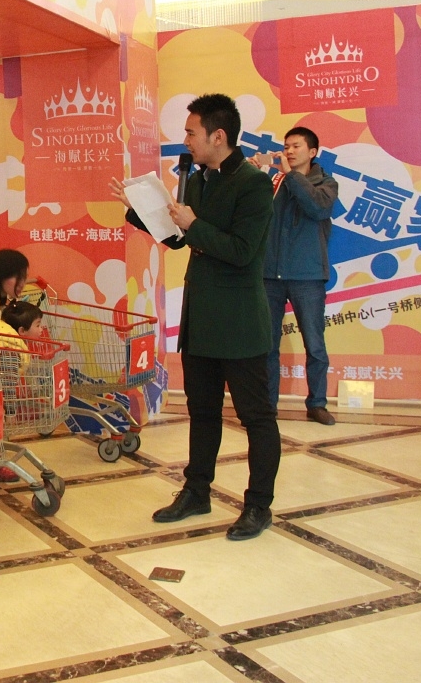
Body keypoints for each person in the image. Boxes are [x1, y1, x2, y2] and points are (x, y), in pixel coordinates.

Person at [111, 92, 278, 541]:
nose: (185, 141)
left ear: (217, 136)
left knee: (256, 417)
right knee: (202, 412)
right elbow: (180, 239)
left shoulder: (253, 184)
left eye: (191, 132)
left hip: (240, 322)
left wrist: (193, 224)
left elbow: (242, 252)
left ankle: (258, 505)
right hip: (201, 317)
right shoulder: (199, 179)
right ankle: (196, 491)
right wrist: (138, 211)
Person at [250, 127, 339, 426]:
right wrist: (255, 175)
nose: (288, 151)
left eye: (296, 146)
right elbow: (253, 214)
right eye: (286, 146)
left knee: (314, 344)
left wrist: (290, 176)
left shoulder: (326, 184)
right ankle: (267, 406)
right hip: (269, 276)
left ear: (312, 152)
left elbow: (317, 207)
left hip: (308, 276)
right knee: (267, 345)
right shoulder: (273, 182)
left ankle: (317, 403)